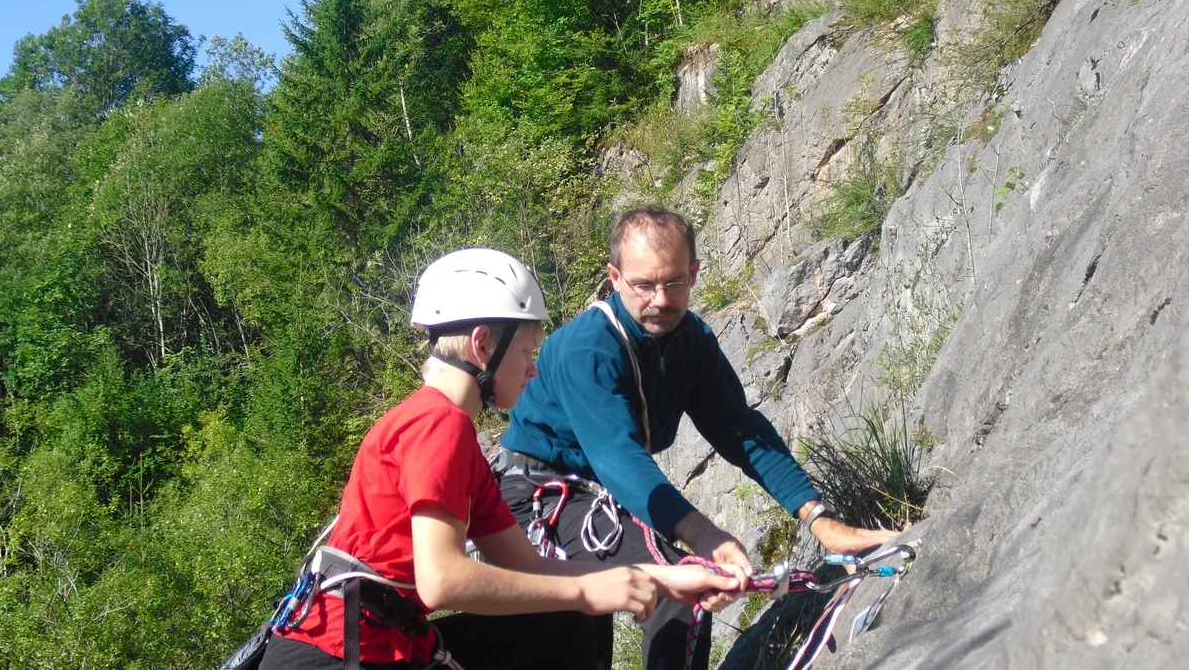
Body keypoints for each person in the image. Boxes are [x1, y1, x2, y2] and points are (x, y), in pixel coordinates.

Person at [259, 248, 738, 670]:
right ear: (483, 344)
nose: (534, 367)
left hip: (378, 645)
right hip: (340, 654)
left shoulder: (455, 437)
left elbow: (528, 568)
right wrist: (590, 591)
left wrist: (666, 577)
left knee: (568, 622)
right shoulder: (437, 423)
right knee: (572, 614)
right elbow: (442, 581)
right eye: (527, 350)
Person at [497, 207, 899, 669]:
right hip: (538, 498)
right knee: (680, 589)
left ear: (694, 273)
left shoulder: (690, 340)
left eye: (673, 283)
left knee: (595, 639)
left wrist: (822, 522)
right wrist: (705, 536)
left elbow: (741, 431)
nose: (660, 300)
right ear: (614, 277)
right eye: (643, 285)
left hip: (590, 496)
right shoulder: (587, 349)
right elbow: (617, 455)